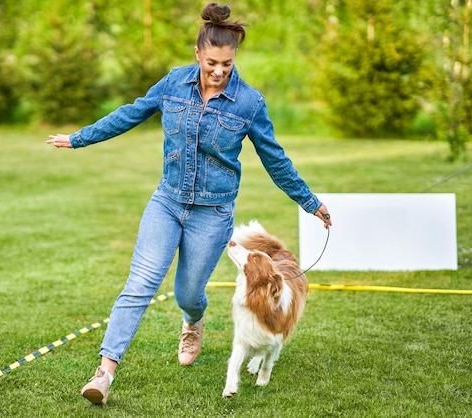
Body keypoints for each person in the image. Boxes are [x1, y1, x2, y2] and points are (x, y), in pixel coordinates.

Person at [46, 2, 332, 405]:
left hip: (212, 214)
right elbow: (130, 114)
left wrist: (311, 202)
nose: (219, 71)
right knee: (141, 283)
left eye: (227, 65)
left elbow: (275, 159)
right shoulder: (173, 83)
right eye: (212, 62)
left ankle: (192, 321)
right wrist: (79, 138)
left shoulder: (249, 103)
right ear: (198, 53)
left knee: (188, 293)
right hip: (168, 201)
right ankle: (104, 373)